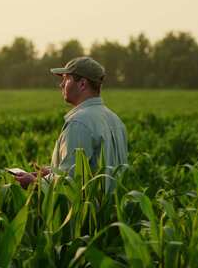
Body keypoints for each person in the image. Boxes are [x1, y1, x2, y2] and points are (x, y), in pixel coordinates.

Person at [14, 56, 128, 189]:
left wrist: (34, 183)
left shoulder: (79, 123)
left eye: (66, 78)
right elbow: (93, 168)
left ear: (82, 84)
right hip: (113, 208)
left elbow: (69, 180)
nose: (61, 84)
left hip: (88, 209)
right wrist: (52, 171)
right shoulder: (115, 119)